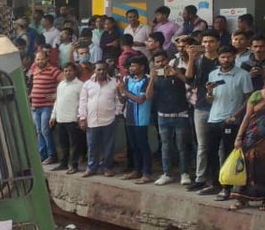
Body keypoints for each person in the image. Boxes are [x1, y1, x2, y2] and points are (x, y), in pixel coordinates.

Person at [201, 45, 254, 201]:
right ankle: (215, 184)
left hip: (231, 121)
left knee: (228, 154)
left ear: (234, 57)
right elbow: (210, 100)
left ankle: (227, 188)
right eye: (223, 57)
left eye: (229, 57)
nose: (226, 60)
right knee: (210, 152)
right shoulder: (213, 74)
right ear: (218, 57)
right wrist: (209, 92)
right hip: (213, 118)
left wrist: (235, 116)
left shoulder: (243, 75)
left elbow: (249, 99)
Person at [150, 50, 193, 185]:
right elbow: (148, 96)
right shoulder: (156, 77)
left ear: (168, 59)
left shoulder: (178, 70)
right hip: (163, 116)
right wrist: (151, 78)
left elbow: (190, 83)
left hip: (181, 114)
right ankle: (166, 173)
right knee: (165, 146)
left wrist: (178, 74)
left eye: (163, 60)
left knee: (182, 145)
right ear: (154, 64)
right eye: (157, 62)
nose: (161, 64)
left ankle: (184, 173)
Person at [186, 30, 221, 191]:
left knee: (219, 146)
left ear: (217, 43)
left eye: (211, 41)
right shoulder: (199, 60)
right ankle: (200, 178)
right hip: (200, 106)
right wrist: (191, 58)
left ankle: (220, 178)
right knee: (202, 145)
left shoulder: (223, 61)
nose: (208, 45)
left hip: (220, 107)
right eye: (205, 42)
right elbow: (189, 79)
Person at [78, 61, 122, 177]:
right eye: (99, 69)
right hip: (92, 120)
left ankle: (107, 167)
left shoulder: (114, 83)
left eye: (103, 69)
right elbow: (83, 101)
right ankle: (91, 167)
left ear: (107, 70)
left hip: (109, 119)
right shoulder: (87, 84)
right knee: (92, 146)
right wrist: (82, 117)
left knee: (108, 146)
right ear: (94, 70)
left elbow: (118, 100)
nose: (101, 72)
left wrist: (116, 114)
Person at [232, 79, 265, 209]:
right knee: (246, 166)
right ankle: (241, 199)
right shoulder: (256, 95)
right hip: (252, 137)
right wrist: (239, 137)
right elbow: (247, 116)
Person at [119, 55, 153, 183]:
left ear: (142, 67)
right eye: (131, 65)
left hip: (141, 117)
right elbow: (123, 99)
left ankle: (147, 172)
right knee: (133, 145)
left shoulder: (147, 80)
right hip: (129, 116)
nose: (131, 68)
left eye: (134, 65)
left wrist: (125, 91)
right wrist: (119, 91)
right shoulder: (127, 79)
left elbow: (140, 99)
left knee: (142, 145)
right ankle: (136, 169)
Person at [50, 62, 86, 173]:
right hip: (61, 119)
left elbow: (82, 103)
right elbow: (57, 101)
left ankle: (74, 165)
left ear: (75, 71)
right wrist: (53, 116)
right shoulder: (61, 84)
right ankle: (63, 163)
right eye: (65, 70)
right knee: (62, 143)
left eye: (70, 70)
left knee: (74, 144)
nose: (67, 73)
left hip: (73, 119)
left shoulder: (80, 85)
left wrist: (81, 117)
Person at [28, 49, 61, 165]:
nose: (40, 61)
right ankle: (42, 155)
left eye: (42, 59)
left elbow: (63, 81)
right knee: (39, 131)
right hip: (36, 106)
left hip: (47, 106)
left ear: (47, 59)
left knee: (45, 130)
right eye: (37, 59)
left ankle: (52, 155)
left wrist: (56, 95)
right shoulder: (35, 70)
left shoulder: (53, 70)